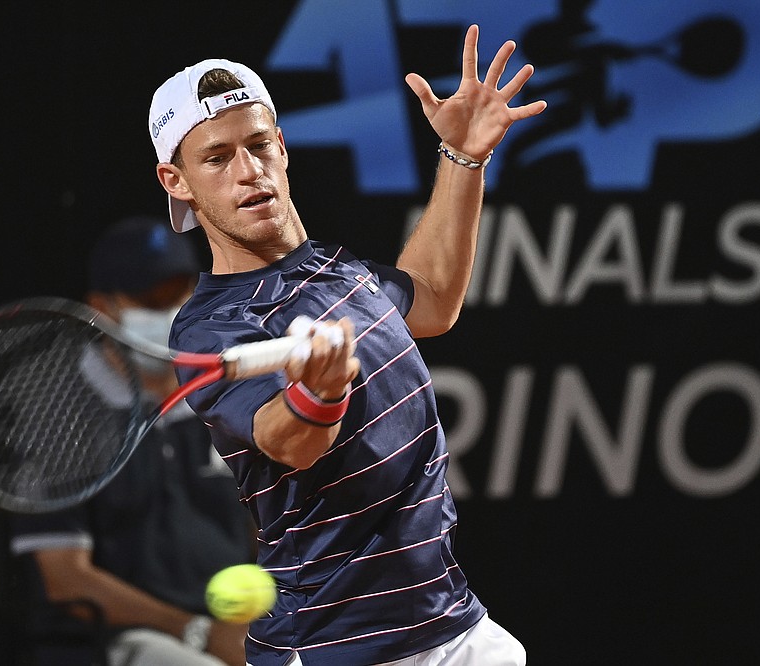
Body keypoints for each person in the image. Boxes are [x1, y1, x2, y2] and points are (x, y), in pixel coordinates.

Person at [147, 24, 546, 666]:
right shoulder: (209, 325)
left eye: (258, 145)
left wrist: (464, 157)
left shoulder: (337, 270)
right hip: (335, 646)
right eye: (217, 158)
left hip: (453, 626)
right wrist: (319, 391)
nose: (248, 172)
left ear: (281, 146)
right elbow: (290, 442)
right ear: (178, 182)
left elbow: (433, 299)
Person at [7, 216, 256, 666]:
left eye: (181, 293)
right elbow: (65, 578)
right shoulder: (57, 418)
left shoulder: (225, 398)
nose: (172, 312)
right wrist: (197, 631)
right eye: (151, 300)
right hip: (126, 641)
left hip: (243, 623)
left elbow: (272, 528)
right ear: (102, 309)